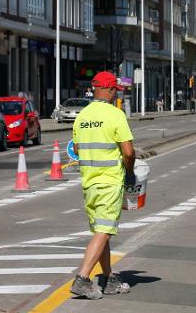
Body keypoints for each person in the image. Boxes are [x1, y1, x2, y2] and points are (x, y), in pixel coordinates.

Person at [71, 71, 136, 299]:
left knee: (102, 231)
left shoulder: (82, 116)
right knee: (104, 231)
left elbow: (77, 149)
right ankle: (83, 278)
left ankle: (109, 279)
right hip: (110, 181)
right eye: (114, 91)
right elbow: (128, 152)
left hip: (89, 182)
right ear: (109, 90)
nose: (114, 95)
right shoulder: (115, 115)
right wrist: (129, 172)